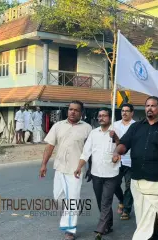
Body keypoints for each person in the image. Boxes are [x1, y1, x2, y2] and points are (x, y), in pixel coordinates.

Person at [112, 96, 158, 240]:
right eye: (147, 105)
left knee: (155, 211)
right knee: (142, 212)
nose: (149, 108)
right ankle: (149, 234)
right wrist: (117, 152)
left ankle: (152, 234)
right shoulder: (136, 126)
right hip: (137, 177)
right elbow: (124, 143)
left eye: (153, 106)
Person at [39, 100, 92, 240]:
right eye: (70, 109)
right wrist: (43, 164)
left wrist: (90, 168)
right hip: (60, 168)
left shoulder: (87, 128)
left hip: (76, 170)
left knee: (72, 200)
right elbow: (49, 147)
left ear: (81, 113)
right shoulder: (58, 126)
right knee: (58, 198)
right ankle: (75, 209)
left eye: (76, 110)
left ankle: (70, 230)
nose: (72, 112)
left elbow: (90, 151)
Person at [74, 108, 121, 240]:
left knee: (106, 201)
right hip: (96, 173)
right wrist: (79, 167)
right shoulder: (94, 133)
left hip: (111, 173)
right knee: (101, 201)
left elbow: (123, 146)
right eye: (99, 116)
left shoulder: (116, 131)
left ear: (109, 117)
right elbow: (86, 152)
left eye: (104, 116)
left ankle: (100, 230)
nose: (101, 118)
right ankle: (108, 223)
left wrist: (116, 137)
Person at [113, 103, 136, 221]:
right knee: (114, 184)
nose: (124, 113)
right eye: (122, 110)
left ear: (132, 113)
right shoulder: (115, 124)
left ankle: (126, 209)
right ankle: (121, 200)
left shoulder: (136, 125)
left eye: (127, 111)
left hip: (130, 160)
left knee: (129, 186)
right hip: (117, 159)